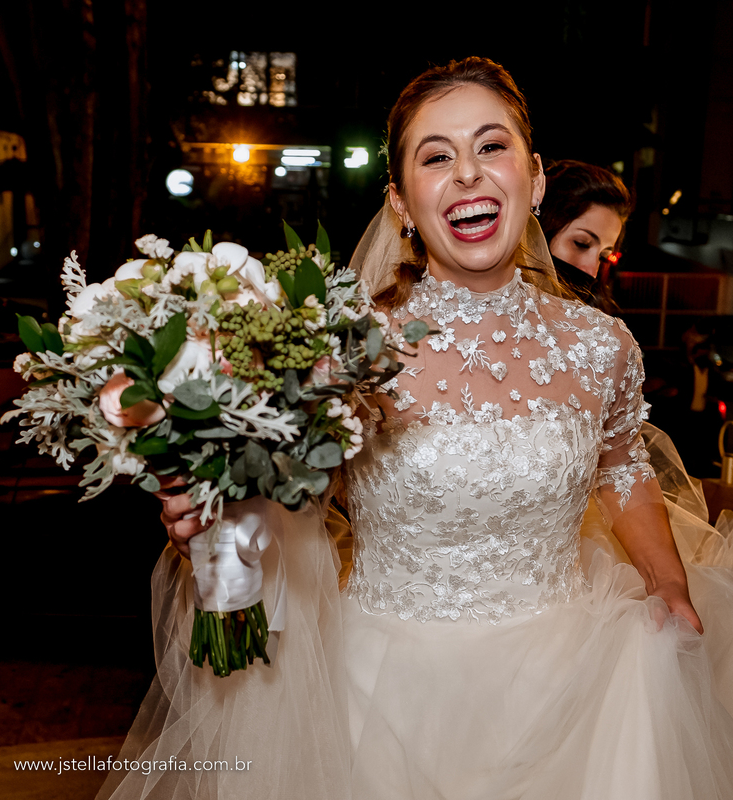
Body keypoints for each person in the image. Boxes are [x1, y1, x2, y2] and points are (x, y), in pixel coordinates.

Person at [104, 58, 733, 799]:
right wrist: (223, 515)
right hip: (377, 694)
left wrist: (666, 582)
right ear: (402, 201)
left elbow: (622, 468)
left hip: (578, 684)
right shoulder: (340, 350)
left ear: (533, 180)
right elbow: (288, 500)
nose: (467, 172)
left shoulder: (602, 348)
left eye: (490, 146)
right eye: (437, 156)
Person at [539, 159, 631, 313]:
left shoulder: (597, 326)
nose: (592, 272)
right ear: (540, 228)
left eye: (603, 257)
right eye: (581, 244)